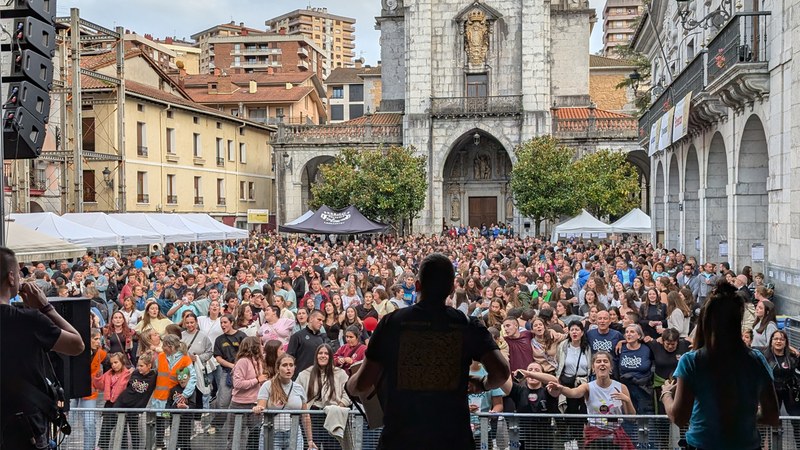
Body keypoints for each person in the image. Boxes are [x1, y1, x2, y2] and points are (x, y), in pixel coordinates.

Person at [347, 253, 509, 450]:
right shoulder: (467, 325)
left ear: (417, 285)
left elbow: (363, 383)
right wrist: (482, 384)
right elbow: (501, 372)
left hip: (401, 438)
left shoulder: (392, 324)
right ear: (451, 289)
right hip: (452, 438)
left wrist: (350, 383)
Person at [660, 280, 780, 450]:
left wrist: (665, 395)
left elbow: (680, 417)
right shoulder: (756, 360)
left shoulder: (692, 361)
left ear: (707, 321)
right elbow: (771, 415)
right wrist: (740, 417)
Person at [0, 248, 86, 450]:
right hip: (24, 429)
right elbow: (76, 345)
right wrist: (45, 308)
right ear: (11, 277)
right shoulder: (27, 320)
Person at [547, 351, 637, 450]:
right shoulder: (588, 387)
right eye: (598, 361)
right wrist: (561, 388)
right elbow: (573, 393)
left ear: (610, 367)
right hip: (595, 436)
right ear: (593, 368)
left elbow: (632, 417)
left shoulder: (621, 387)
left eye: (605, 361)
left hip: (616, 436)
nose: (602, 363)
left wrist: (627, 400)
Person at [253, 354, 315, 450]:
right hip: (272, 433)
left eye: (291, 365)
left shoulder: (299, 388)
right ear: (278, 368)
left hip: (294, 433)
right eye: (285, 365)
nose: (288, 368)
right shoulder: (267, 386)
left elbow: (305, 416)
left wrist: (310, 440)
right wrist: (258, 409)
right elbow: (261, 406)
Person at [296, 344, 350, 450]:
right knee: (312, 447)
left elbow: (348, 393)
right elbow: (297, 394)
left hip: (333, 416)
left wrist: (340, 405)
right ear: (316, 356)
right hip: (311, 417)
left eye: (326, 353)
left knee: (333, 447)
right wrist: (304, 408)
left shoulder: (340, 373)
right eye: (320, 353)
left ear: (330, 356)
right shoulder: (305, 374)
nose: (323, 356)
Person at [499, 362, 557, 450]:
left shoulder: (548, 391)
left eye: (537, 370)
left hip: (544, 440)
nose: (533, 372)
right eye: (530, 369)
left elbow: (555, 381)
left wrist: (529, 373)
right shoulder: (519, 391)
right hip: (523, 439)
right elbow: (500, 380)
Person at [760, 330, 800, 444]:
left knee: (797, 422)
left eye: (782, 339)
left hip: (790, 392)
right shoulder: (764, 355)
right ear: (771, 341)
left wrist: (798, 354)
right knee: (766, 422)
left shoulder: (792, 356)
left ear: (786, 342)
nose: (778, 341)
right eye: (776, 339)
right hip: (771, 392)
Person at [210, 314, 247, 434]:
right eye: (221, 323)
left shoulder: (242, 336)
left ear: (232, 322)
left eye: (225, 322)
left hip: (243, 373)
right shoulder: (219, 339)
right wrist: (232, 366)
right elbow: (218, 357)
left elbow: (248, 354)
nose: (223, 325)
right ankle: (217, 425)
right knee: (223, 401)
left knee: (242, 401)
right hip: (226, 372)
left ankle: (242, 427)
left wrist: (239, 367)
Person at [114, 351, 157, 450]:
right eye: (138, 365)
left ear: (149, 365)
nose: (139, 368)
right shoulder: (135, 372)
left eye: (142, 366)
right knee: (121, 429)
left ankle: (136, 448)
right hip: (122, 403)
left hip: (135, 408)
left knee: (134, 430)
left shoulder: (154, 376)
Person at [230, 336, 267, 450]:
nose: (262, 346)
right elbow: (238, 384)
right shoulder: (242, 362)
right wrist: (257, 380)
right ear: (254, 347)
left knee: (255, 436)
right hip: (239, 404)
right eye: (260, 344)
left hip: (255, 404)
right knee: (234, 437)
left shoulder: (259, 361)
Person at [93, 352, 132, 450]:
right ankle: (102, 447)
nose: (113, 365)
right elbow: (100, 386)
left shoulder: (128, 374)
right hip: (110, 404)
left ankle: (123, 448)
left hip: (122, 404)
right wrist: (97, 378)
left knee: (122, 429)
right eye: (112, 363)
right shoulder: (108, 373)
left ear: (122, 362)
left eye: (116, 362)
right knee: (105, 427)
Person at [287, 309, 329, 379]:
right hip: (300, 377)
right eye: (319, 319)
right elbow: (289, 357)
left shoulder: (322, 338)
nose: (321, 323)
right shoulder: (297, 336)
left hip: (317, 376)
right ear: (311, 319)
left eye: (323, 321)